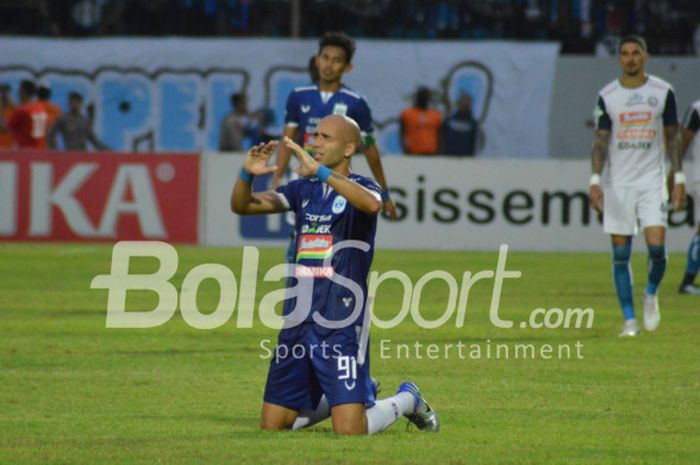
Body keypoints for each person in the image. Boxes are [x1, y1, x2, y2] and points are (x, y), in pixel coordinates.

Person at [231, 114, 439, 435]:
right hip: (298, 317)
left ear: (348, 148)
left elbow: (372, 205)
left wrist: (323, 174)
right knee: (272, 425)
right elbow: (243, 206)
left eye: (326, 137)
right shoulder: (302, 190)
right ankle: (352, 395)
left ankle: (408, 399)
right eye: (316, 135)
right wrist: (246, 174)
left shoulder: (364, 187)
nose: (316, 141)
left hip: (341, 318)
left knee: (350, 431)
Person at [588, 35, 684, 337]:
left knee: (657, 248)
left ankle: (651, 294)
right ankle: (630, 321)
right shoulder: (608, 95)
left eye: (635, 53)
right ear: (619, 58)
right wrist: (594, 180)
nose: (630, 58)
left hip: (651, 182)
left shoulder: (662, 92)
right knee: (621, 255)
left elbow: (673, 137)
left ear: (646, 56)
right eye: (625, 54)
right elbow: (601, 142)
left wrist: (678, 177)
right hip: (618, 184)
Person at [270, 31, 397, 220]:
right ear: (317, 60)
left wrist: (385, 194)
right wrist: (277, 177)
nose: (329, 65)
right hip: (303, 176)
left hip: (338, 180)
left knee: (328, 235)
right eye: (325, 58)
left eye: (336, 61)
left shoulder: (356, 103)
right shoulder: (298, 96)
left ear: (348, 67)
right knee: (301, 235)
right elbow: (286, 141)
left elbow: (370, 149)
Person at [677, 99, 700, 294]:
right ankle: (687, 281)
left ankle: (688, 281)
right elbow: (683, 143)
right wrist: (675, 174)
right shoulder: (697, 108)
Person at [400, 86, 442, 155]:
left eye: (425, 96)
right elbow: (401, 134)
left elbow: (440, 135)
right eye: (420, 95)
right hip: (413, 153)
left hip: (432, 154)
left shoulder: (436, 116)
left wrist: (439, 151)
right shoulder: (407, 114)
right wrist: (405, 149)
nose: (423, 98)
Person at [6, 80, 47, 149]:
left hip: (25, 150)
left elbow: (5, 126)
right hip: (40, 149)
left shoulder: (22, 111)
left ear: (22, 91)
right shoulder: (40, 108)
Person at [0, 83, 15, 149]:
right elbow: (3, 128)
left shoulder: (12, 109)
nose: (5, 95)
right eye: (3, 92)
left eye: (6, 93)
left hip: (9, 145)